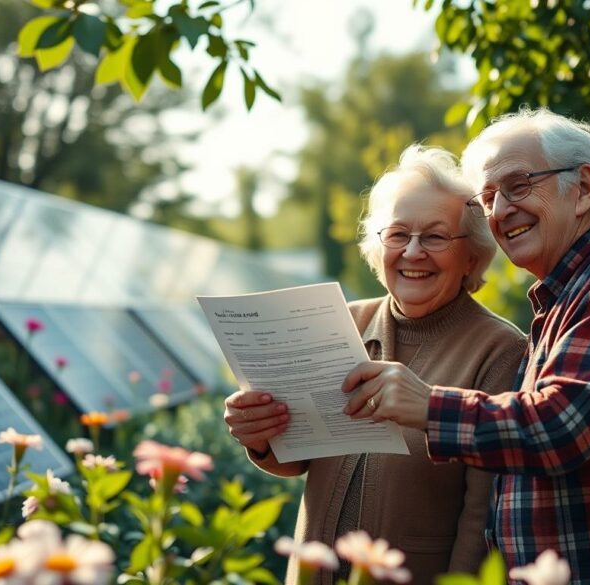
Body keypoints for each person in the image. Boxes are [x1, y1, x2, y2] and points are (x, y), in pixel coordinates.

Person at [342, 108, 590, 582]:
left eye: (518, 186)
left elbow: (562, 425)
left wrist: (430, 406)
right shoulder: (567, 293)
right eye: (489, 196)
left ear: (581, 188)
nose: (499, 211)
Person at [223, 145, 527, 585]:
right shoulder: (340, 320)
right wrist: (260, 434)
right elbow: (297, 457)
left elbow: (482, 513)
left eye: (436, 237)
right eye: (398, 234)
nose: (413, 252)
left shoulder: (500, 350)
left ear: (473, 258)